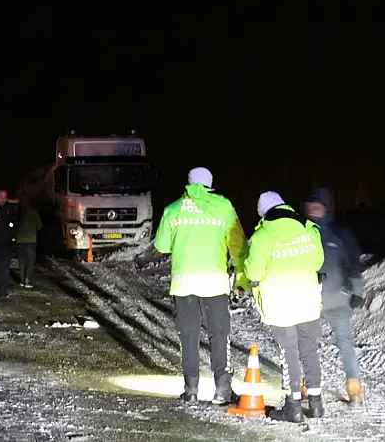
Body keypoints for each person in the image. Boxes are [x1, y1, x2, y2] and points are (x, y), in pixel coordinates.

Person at [154, 167, 248, 405]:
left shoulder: (172, 210)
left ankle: (191, 389)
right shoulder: (223, 207)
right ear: (210, 184)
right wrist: (243, 279)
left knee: (189, 335)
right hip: (214, 283)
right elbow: (238, 247)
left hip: (183, 284)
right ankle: (222, 389)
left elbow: (162, 245)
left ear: (189, 183)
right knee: (219, 334)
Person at [243, 191, 325, 423]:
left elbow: (254, 272)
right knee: (309, 348)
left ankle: (294, 406)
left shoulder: (264, 235)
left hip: (280, 304)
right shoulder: (307, 228)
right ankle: (317, 404)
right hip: (308, 300)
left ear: (264, 213)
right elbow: (318, 261)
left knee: (288, 351)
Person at [304, 188, 365, 406]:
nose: (313, 210)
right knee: (308, 344)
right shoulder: (301, 233)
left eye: (317, 206)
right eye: (310, 206)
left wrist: (358, 291)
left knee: (345, 343)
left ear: (327, 209)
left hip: (338, 299)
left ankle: (354, 388)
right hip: (310, 300)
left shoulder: (341, 236)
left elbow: (354, 266)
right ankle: (307, 386)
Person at [15, 200, 42, 288]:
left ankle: (22, 281)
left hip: (20, 241)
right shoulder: (34, 213)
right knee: (30, 262)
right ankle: (27, 281)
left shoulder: (18, 214)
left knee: (22, 262)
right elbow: (39, 226)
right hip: (31, 241)